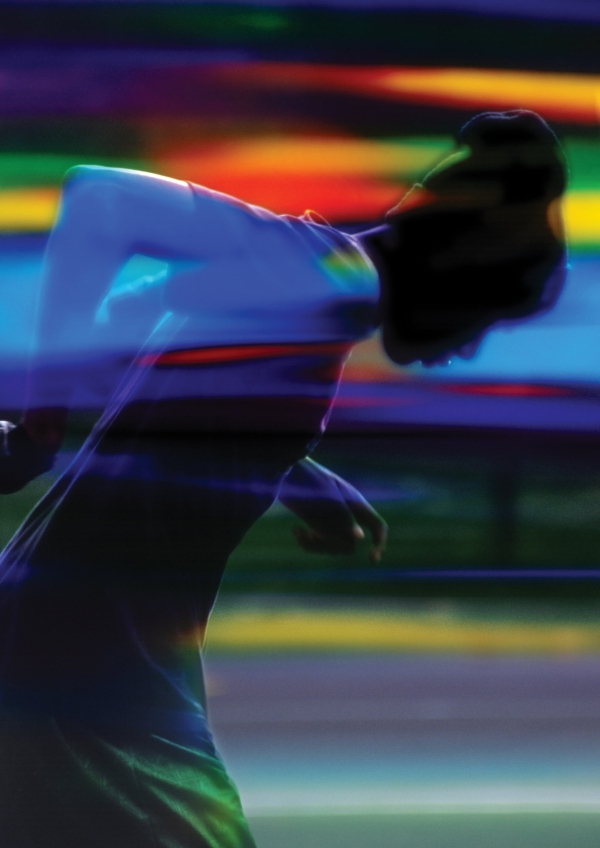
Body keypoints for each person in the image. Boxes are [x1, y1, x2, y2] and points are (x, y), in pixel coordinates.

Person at [0, 109, 566, 847]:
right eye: (488, 318)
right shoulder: (322, 278)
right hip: (89, 686)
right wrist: (43, 423)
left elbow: (142, 355)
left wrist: (288, 469)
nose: (469, 349)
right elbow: (100, 200)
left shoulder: (319, 295)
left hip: (79, 661)